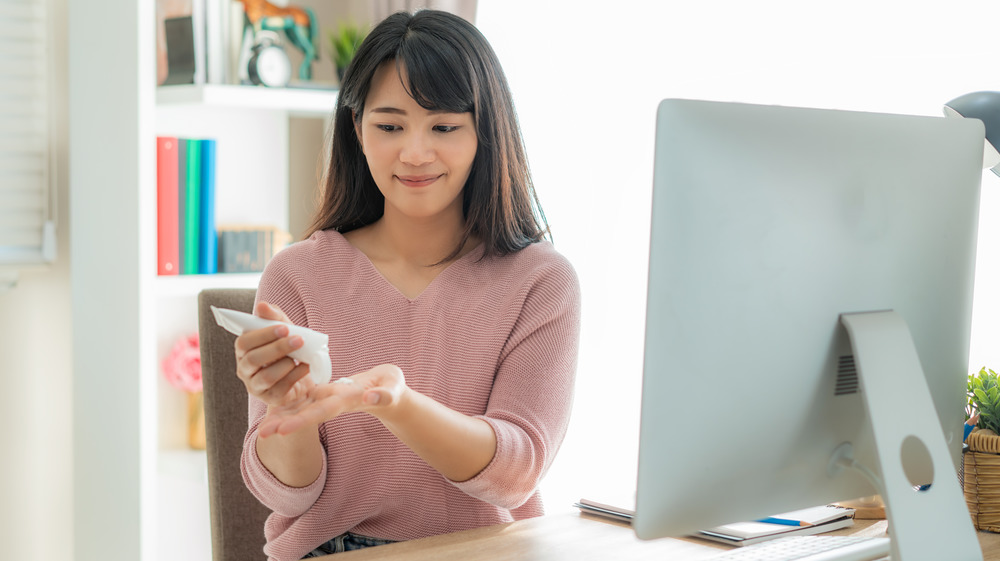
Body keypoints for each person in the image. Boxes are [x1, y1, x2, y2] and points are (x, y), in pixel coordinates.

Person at [233, 10, 581, 561]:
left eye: (443, 127)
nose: (415, 153)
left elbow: (515, 475)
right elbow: (282, 495)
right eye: (390, 126)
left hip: (486, 550)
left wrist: (396, 403)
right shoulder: (296, 275)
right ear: (358, 131)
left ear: (483, 134)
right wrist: (289, 414)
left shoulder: (541, 281)